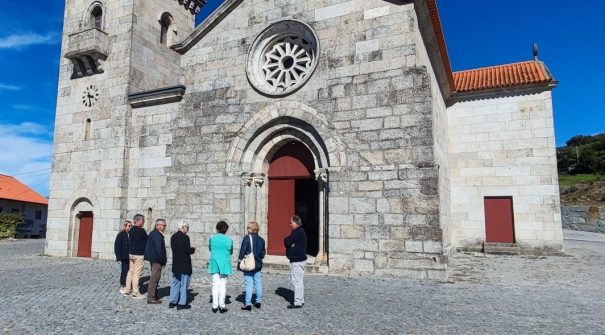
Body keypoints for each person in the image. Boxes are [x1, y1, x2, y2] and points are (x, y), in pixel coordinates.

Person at [238, 221, 266, 311]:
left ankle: (248, 303)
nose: (247, 229)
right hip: (258, 264)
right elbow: (263, 253)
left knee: (249, 283)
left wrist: (240, 261)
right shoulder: (262, 240)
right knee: (258, 282)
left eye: (248, 227)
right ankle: (258, 301)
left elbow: (242, 251)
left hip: (249, 265)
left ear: (252, 229)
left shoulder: (247, 238)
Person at [169, 221, 196, 310]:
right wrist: (193, 249)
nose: (188, 229)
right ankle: (181, 303)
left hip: (176, 263)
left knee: (175, 283)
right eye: (187, 227)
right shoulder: (185, 237)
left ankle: (172, 302)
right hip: (184, 264)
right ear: (183, 227)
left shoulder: (173, 237)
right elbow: (187, 250)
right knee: (184, 284)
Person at [208, 220, 233, 313]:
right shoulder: (229, 240)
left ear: (217, 229)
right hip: (225, 263)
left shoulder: (212, 238)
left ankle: (214, 305)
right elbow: (231, 251)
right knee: (223, 285)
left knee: (215, 284)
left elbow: (210, 248)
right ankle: (222, 305)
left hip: (214, 262)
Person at [284, 215, 307, 309]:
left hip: (298, 261)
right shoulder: (299, 232)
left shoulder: (298, 232)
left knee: (296, 281)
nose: (290, 224)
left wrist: (289, 242)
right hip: (299, 260)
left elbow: (287, 241)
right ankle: (300, 300)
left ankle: (297, 301)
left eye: (291, 222)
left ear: (296, 223)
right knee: (299, 281)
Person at [144, 218, 167, 304]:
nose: (165, 227)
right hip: (156, 260)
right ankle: (151, 297)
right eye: (164, 225)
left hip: (155, 259)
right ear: (158, 226)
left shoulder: (155, 233)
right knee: (154, 278)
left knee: (156, 278)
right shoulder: (156, 235)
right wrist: (162, 260)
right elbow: (159, 249)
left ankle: (154, 294)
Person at [124, 214, 147, 299]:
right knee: (136, 274)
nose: (143, 222)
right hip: (139, 255)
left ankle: (127, 290)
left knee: (130, 272)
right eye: (143, 220)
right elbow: (147, 239)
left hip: (131, 254)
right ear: (138, 221)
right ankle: (135, 293)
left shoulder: (131, 229)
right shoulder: (141, 231)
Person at [114, 220, 132, 295]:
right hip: (124, 256)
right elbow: (117, 246)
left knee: (130, 271)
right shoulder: (121, 234)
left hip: (130, 256)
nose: (130, 227)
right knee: (124, 270)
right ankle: (123, 284)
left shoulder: (130, 234)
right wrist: (119, 257)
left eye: (131, 226)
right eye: (129, 226)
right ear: (125, 226)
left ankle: (129, 284)